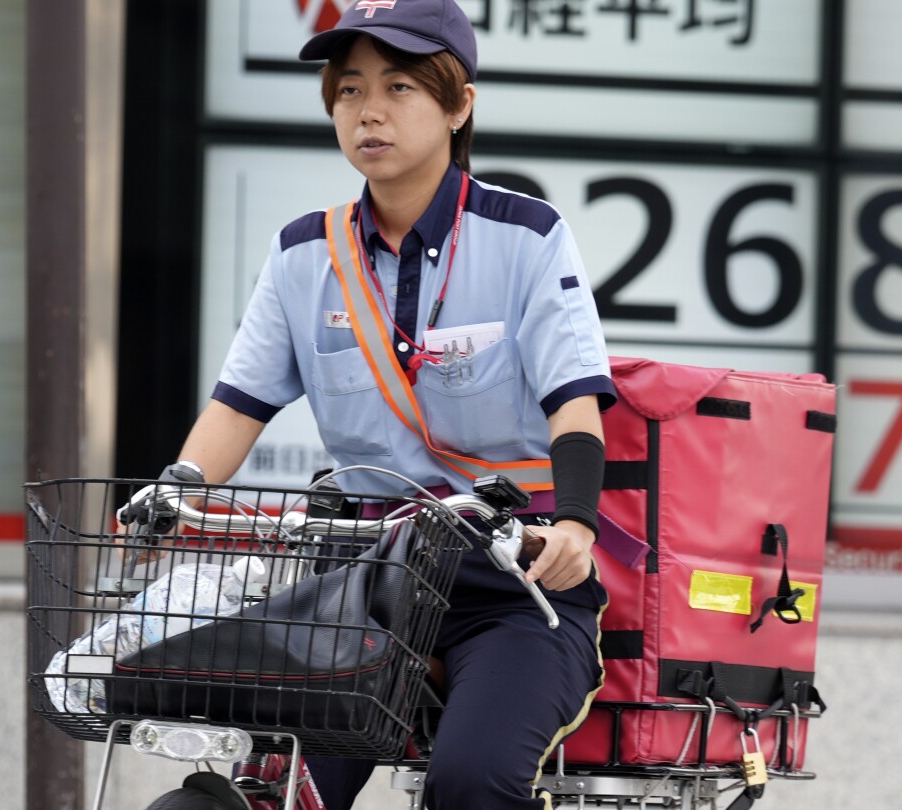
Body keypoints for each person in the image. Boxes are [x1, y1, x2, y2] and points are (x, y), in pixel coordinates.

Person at [163, 1, 613, 806]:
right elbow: (240, 404)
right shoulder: (304, 252)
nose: (367, 110)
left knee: (471, 782)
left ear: (458, 103)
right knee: (271, 790)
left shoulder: (527, 235)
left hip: (513, 582)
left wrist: (576, 523)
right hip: (362, 584)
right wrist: (179, 486)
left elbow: (575, 399)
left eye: (399, 86)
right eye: (348, 90)